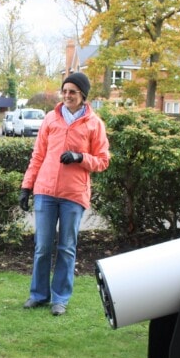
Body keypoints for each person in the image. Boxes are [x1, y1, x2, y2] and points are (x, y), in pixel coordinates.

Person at [19, 72, 110, 316]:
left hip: (73, 194)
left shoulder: (94, 124)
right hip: (45, 192)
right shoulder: (51, 119)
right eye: (65, 91)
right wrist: (26, 186)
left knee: (67, 248)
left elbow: (103, 161)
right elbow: (38, 155)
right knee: (42, 247)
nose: (68, 95)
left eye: (73, 91)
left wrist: (80, 158)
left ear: (83, 96)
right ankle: (38, 294)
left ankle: (60, 298)